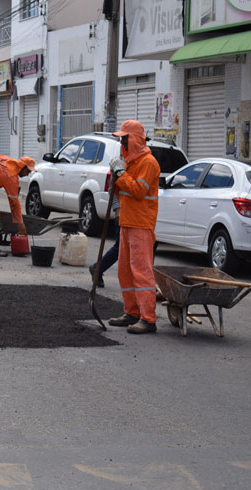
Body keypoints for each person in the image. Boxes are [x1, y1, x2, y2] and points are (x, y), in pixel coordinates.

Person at [108, 120, 160, 334]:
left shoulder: (148, 163)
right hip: (127, 223)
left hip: (140, 224)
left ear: (136, 139)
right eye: (121, 138)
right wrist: (117, 176)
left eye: (125, 138)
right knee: (125, 271)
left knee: (141, 272)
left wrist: (120, 174)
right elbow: (122, 191)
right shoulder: (130, 162)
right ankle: (132, 312)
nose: (122, 142)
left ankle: (148, 318)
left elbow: (138, 191)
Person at [89, 194, 120, 288]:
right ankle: (97, 268)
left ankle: (97, 268)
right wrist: (117, 208)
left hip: (138, 218)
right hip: (124, 216)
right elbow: (112, 188)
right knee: (121, 247)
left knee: (123, 249)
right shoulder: (119, 178)